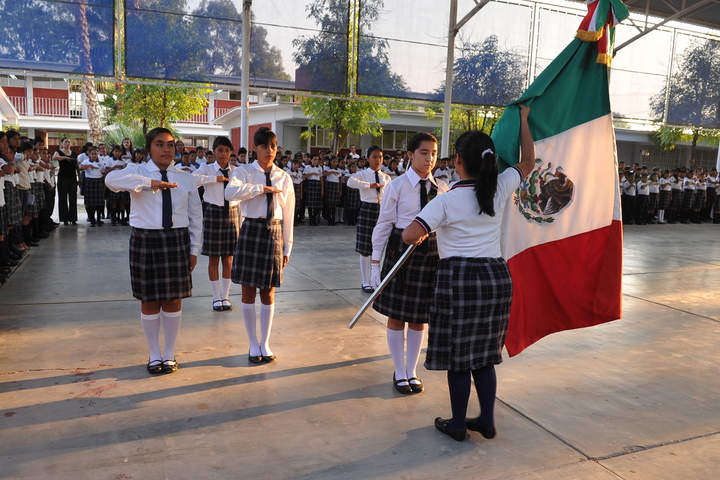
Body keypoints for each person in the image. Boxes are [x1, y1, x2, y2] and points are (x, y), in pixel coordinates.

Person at [401, 104, 536, 442]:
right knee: (484, 356)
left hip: (458, 280)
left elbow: (409, 235)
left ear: (458, 161)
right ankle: (487, 420)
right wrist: (523, 120)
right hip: (494, 277)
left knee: (459, 357)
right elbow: (528, 162)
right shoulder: (500, 186)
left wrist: (426, 231)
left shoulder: (445, 201)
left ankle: (459, 423)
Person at [105, 127, 202, 374]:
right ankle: (154, 354)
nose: (166, 149)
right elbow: (110, 181)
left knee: (173, 300)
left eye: (170, 145)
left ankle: (169, 353)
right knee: (149, 300)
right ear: (149, 148)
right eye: (159, 144)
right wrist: (149, 184)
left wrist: (194, 249)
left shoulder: (185, 177)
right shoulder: (137, 171)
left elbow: (196, 216)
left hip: (176, 240)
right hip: (145, 239)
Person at [370, 132, 449, 395]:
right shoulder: (397, 186)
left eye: (433, 154)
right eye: (424, 153)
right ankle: (399, 370)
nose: (429, 159)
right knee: (397, 315)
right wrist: (375, 262)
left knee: (419, 317)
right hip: (401, 250)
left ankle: (412, 370)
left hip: (430, 254)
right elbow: (383, 224)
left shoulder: (442, 188)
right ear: (410, 154)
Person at [225, 127, 295, 364]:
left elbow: (289, 214)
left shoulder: (284, 177)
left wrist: (287, 247)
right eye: (264, 146)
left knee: (268, 290)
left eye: (273, 146)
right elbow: (229, 193)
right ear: (255, 148)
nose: (269, 151)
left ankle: (265, 342)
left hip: (274, 232)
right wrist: (260, 189)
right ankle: (252, 343)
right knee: (248, 290)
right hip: (251, 229)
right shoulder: (244, 172)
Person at [194, 136, 240, 312]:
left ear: (231, 153)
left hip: (232, 213)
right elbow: (192, 180)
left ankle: (225, 296)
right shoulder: (206, 169)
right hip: (213, 212)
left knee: (228, 258)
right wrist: (214, 178)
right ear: (214, 151)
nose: (223, 154)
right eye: (220, 150)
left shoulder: (236, 171)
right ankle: (215, 297)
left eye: (227, 151)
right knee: (213, 258)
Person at [347, 146, 390, 292]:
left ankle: (375, 279)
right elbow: (350, 182)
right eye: (374, 157)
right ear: (368, 159)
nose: (378, 160)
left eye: (380, 157)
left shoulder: (386, 177)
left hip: (382, 211)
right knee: (365, 248)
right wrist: (369, 185)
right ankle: (365, 281)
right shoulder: (363, 174)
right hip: (367, 209)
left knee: (379, 247)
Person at [79, 146, 106, 226]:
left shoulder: (101, 161)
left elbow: (103, 171)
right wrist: (89, 166)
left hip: (99, 182)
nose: (94, 155)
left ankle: (99, 219)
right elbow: (80, 167)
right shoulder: (86, 161)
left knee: (100, 203)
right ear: (89, 154)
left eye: (96, 154)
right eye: (92, 154)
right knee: (89, 203)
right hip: (89, 182)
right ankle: (92, 220)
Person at [54, 137, 78, 225]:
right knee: (63, 198)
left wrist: (79, 178)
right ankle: (65, 219)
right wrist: (64, 157)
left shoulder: (74, 153)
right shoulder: (58, 152)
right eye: (65, 142)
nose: (67, 143)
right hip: (62, 178)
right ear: (62, 143)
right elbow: (54, 157)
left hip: (73, 178)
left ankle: (73, 218)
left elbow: (77, 166)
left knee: (73, 198)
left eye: (69, 142)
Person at [302, 155, 323, 225]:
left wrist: (322, 189)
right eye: (314, 159)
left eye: (317, 159)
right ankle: (311, 220)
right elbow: (304, 176)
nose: (315, 161)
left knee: (317, 204)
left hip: (317, 185)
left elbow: (321, 179)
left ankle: (315, 218)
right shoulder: (307, 167)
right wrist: (312, 173)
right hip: (310, 184)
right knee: (310, 205)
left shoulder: (320, 167)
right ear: (311, 160)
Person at [323, 156, 342, 225]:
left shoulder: (339, 170)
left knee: (334, 205)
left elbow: (340, 180)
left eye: (336, 162)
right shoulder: (326, 168)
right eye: (333, 161)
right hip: (329, 186)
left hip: (336, 186)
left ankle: (333, 220)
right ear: (330, 162)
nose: (335, 163)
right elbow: (325, 174)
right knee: (329, 204)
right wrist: (332, 172)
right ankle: (329, 219)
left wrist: (340, 190)